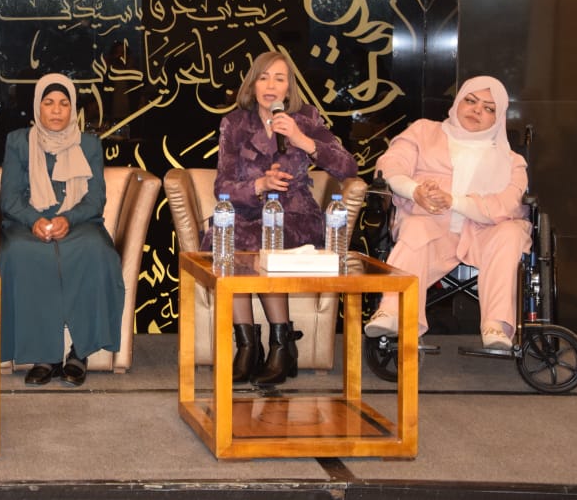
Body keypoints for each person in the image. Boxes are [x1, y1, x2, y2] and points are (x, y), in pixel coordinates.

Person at [204, 51, 357, 385]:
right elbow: (222, 186)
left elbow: (348, 167)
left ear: (289, 88)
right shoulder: (234, 123)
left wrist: (302, 140)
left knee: (265, 240)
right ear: (252, 85)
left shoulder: (306, 118)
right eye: (263, 78)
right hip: (246, 212)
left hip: (294, 214)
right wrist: (259, 185)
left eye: (279, 78)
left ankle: (280, 344)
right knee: (228, 239)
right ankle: (247, 346)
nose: (271, 86)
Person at [364, 76, 529, 350]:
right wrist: (415, 191)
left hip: (484, 232)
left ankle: (496, 324)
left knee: (511, 233)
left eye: (488, 108)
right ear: (458, 102)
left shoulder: (512, 161)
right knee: (415, 228)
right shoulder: (423, 132)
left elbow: (508, 204)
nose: (477, 110)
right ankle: (394, 311)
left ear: (498, 117)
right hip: (430, 223)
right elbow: (390, 165)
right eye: (471, 100)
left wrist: (454, 201)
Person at [0, 73, 123, 387]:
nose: (56, 110)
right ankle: (45, 356)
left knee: (96, 251)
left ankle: (80, 351)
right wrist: (34, 220)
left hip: (79, 223)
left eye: (64, 103)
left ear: (73, 108)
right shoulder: (18, 141)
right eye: (49, 102)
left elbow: (96, 198)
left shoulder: (89, 144)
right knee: (21, 252)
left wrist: (69, 218)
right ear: (37, 107)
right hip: (28, 224)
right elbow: (10, 197)